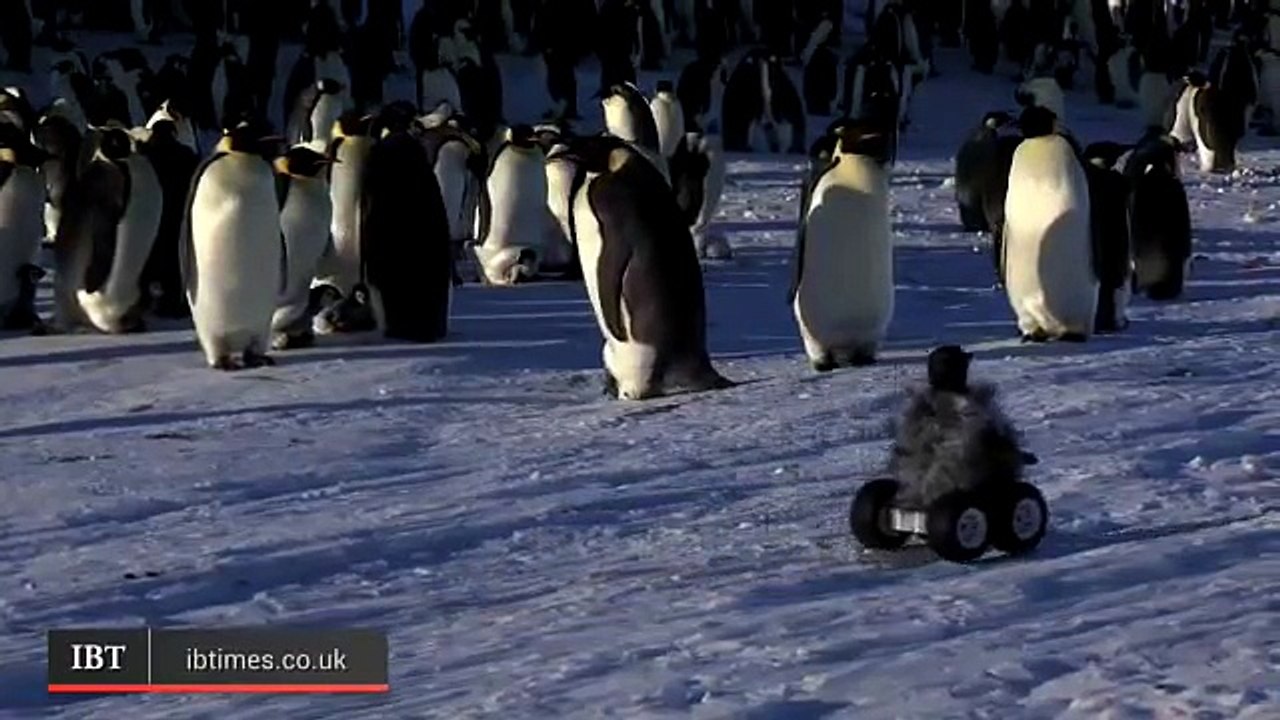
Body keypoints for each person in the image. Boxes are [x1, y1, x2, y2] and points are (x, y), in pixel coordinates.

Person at [887, 345, 1036, 509]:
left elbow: (907, 443)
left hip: (915, 481)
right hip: (961, 484)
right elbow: (982, 441)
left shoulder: (920, 405)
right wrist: (1012, 453)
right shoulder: (972, 405)